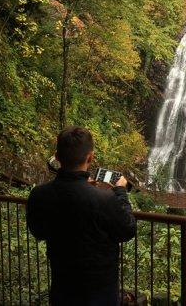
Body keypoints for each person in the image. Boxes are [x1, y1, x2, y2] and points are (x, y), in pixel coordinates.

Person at [27, 126, 136, 306]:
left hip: (62, 288)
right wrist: (120, 191)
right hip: (101, 293)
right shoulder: (104, 198)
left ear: (58, 156)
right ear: (90, 157)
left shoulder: (39, 194)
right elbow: (128, 229)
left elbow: (38, 231)